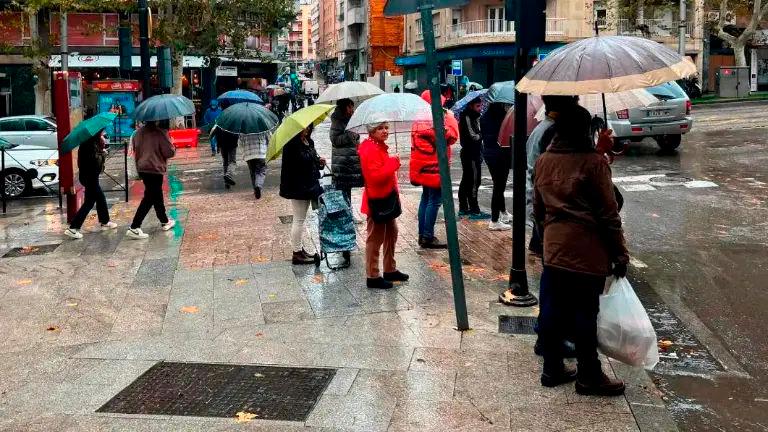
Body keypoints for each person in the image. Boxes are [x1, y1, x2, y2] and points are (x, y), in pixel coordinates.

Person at [533, 104, 629, 396]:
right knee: (585, 313)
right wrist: (619, 253)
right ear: (585, 130)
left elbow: (538, 209)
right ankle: (589, 374)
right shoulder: (592, 163)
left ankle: (552, 367)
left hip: (554, 246)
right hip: (586, 249)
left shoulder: (544, 161)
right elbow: (609, 213)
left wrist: (548, 237)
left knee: (553, 308)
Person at [526, 95, 579, 256]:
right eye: (574, 104)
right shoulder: (552, 133)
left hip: (542, 206)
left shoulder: (541, 129)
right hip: (551, 211)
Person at [358, 121, 409, 289]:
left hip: (386, 198)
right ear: (372, 131)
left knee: (391, 232)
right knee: (375, 237)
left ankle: (390, 269)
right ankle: (372, 275)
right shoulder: (370, 148)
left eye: (386, 127)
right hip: (377, 201)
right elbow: (375, 177)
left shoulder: (378, 145)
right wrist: (393, 163)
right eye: (380, 128)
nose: (385, 131)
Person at [410, 90, 459, 249]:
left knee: (426, 198)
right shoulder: (435, 120)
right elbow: (451, 137)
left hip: (423, 166)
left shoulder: (418, 119)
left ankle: (422, 233)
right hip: (435, 166)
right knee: (435, 200)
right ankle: (428, 236)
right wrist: (449, 119)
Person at [279, 125, 325, 265]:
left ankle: (300, 250)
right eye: (304, 128)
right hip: (297, 187)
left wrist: (320, 163)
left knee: (301, 219)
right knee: (298, 219)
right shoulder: (291, 145)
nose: (307, 129)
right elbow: (301, 162)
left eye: (309, 127)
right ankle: (297, 253)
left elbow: (313, 163)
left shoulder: (307, 141)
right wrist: (312, 156)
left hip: (308, 185)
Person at [63, 130, 117, 239]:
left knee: (95, 199)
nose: (103, 134)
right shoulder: (90, 145)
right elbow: (95, 161)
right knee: (91, 202)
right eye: (101, 132)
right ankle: (73, 228)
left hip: (89, 176)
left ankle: (105, 221)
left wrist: (101, 150)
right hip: (90, 177)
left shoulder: (89, 143)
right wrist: (103, 153)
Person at [127, 121, 176, 239]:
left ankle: (164, 220)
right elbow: (169, 152)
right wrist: (172, 143)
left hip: (142, 168)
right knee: (149, 197)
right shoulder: (160, 133)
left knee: (156, 194)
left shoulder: (137, 133)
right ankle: (134, 226)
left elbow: (135, 150)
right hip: (155, 168)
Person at [480, 102, 512, 230]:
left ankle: (503, 212)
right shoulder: (504, 117)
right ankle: (494, 220)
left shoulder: (484, 117)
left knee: (498, 184)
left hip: (488, 153)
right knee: (499, 186)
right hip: (500, 154)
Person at [457, 97, 488, 219]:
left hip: (473, 153)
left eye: (481, 106)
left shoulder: (474, 117)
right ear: (471, 106)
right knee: (474, 181)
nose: (480, 109)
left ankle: (464, 207)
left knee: (467, 180)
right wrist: (482, 134)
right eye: (478, 106)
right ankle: (474, 209)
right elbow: (473, 136)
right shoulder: (467, 117)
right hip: (470, 154)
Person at [240, 131, 270, 199]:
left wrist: (243, 154)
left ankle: (255, 189)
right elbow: (269, 139)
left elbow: (240, 143)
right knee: (261, 171)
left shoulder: (243, 130)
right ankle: (258, 186)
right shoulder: (264, 128)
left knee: (252, 172)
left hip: (249, 155)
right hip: (261, 154)